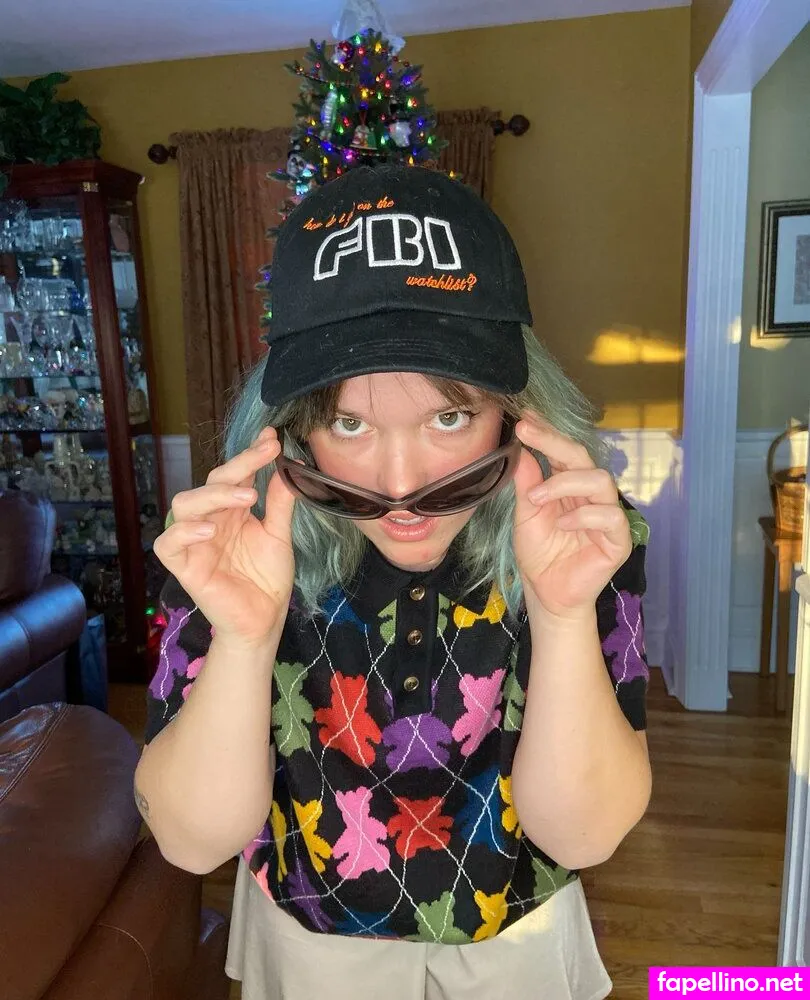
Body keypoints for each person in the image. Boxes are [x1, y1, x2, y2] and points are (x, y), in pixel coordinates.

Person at [134, 163, 652, 1000]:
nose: (402, 482)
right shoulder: (226, 540)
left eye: (449, 417)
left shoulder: (583, 530)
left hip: (518, 942)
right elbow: (191, 842)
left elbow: (584, 835)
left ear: (515, 408)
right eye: (348, 422)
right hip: (306, 944)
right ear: (291, 425)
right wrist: (244, 636)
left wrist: (561, 615)